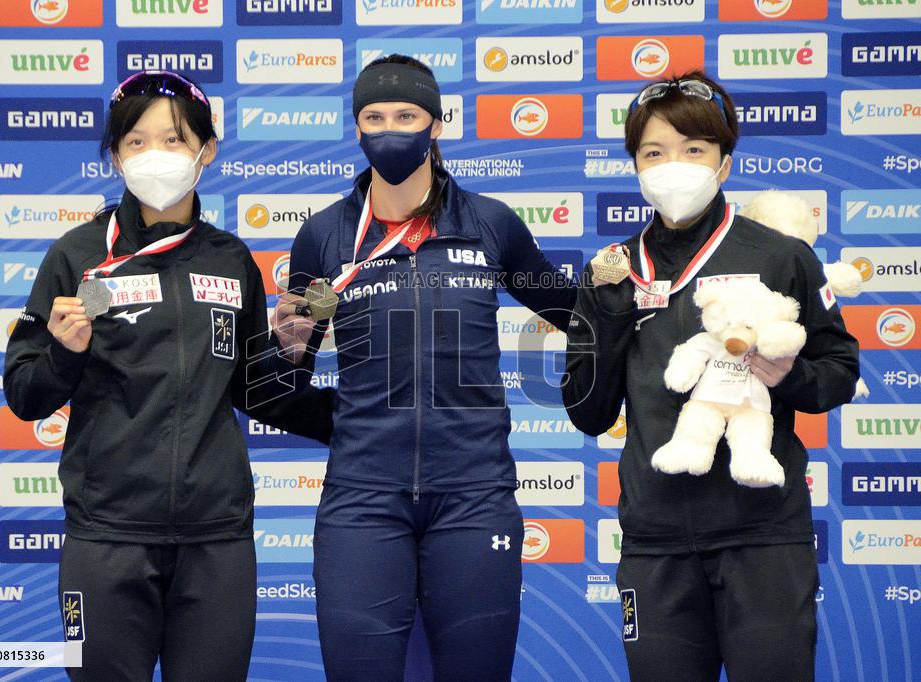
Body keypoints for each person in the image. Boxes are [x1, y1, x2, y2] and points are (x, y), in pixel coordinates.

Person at [3, 70, 333, 681]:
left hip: (217, 540)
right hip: (106, 538)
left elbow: (255, 392)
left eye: (175, 140)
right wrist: (64, 353)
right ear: (114, 155)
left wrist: (300, 361)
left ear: (207, 151)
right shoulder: (78, 257)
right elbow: (25, 395)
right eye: (137, 142)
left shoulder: (230, 259)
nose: (156, 155)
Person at [272, 55, 576, 681]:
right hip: (362, 500)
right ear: (356, 128)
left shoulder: (489, 224)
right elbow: (278, 385)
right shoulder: (325, 236)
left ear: (437, 124)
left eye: (407, 115)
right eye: (374, 116)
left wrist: (656, 299)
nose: (390, 129)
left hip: (473, 497)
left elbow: (578, 314)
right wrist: (288, 357)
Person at [562, 72, 859, 681]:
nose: (674, 166)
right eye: (654, 152)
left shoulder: (781, 256)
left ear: (723, 163)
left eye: (693, 150)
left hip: (763, 536)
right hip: (654, 544)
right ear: (636, 167)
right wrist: (614, 319)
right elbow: (587, 413)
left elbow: (841, 373)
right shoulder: (611, 272)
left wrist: (790, 376)